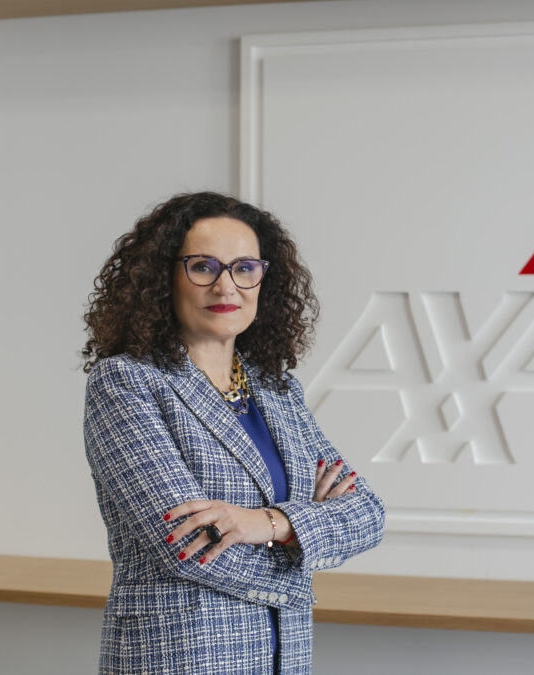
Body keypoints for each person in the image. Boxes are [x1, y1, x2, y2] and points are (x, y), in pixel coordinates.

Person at [81, 191, 385, 674]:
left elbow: (366, 513)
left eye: (244, 268)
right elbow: (187, 546)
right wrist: (303, 555)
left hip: (286, 658)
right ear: (163, 279)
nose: (226, 286)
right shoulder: (126, 382)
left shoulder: (277, 390)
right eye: (203, 267)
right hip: (182, 658)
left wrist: (269, 523)